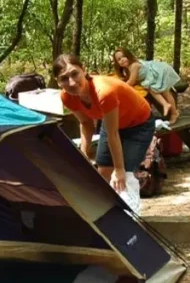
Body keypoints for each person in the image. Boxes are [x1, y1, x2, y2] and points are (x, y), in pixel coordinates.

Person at [54, 53, 155, 193]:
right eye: (64, 78)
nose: (71, 82)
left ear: (84, 70)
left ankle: (129, 212)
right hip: (111, 124)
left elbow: (113, 134)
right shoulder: (66, 96)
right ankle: (109, 211)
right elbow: (86, 123)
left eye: (74, 74)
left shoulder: (104, 92)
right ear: (57, 81)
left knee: (125, 173)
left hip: (138, 124)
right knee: (104, 173)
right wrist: (84, 152)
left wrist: (119, 169)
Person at [111, 48, 181, 125]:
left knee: (166, 93)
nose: (122, 60)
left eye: (123, 56)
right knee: (151, 89)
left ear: (128, 55)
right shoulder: (126, 69)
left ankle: (174, 113)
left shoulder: (134, 65)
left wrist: (120, 87)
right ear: (117, 63)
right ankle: (165, 104)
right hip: (150, 78)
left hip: (158, 73)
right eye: (119, 59)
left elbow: (131, 81)